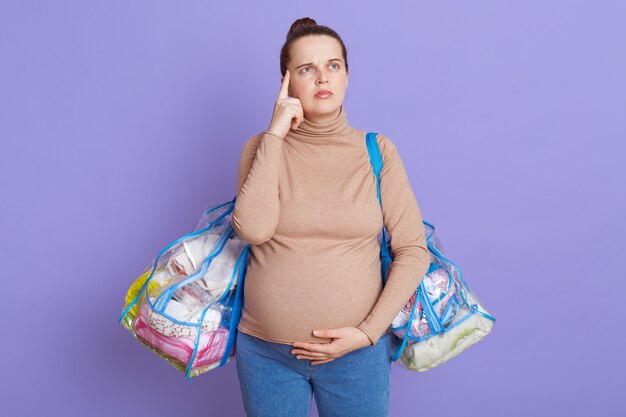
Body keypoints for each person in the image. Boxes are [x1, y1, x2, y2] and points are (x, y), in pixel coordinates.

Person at [231, 17, 430, 417]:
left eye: (333, 66)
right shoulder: (260, 147)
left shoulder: (378, 151)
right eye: (307, 69)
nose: (323, 78)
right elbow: (252, 229)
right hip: (266, 354)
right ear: (286, 82)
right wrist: (274, 134)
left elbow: (412, 249)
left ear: (347, 76)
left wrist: (366, 333)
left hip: (357, 356)